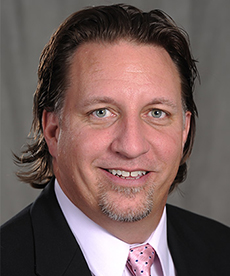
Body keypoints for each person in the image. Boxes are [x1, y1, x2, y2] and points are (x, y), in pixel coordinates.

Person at [1, 4, 229, 276]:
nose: (131, 147)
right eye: (101, 112)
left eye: (157, 113)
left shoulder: (222, 250)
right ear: (53, 129)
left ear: (184, 129)